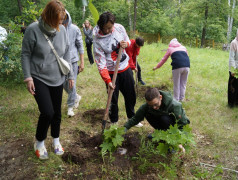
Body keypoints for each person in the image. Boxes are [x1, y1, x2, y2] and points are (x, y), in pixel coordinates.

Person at [21, 0, 74, 160]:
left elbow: (66, 52)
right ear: (49, 16)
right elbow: (25, 54)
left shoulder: (62, 30)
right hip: (39, 77)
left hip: (57, 77)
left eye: (62, 19)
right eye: (58, 19)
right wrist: (28, 76)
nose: (61, 22)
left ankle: (56, 140)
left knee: (57, 112)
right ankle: (39, 141)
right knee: (47, 112)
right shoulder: (33, 30)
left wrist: (70, 75)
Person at [93, 12, 138, 126]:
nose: (109, 30)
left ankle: (131, 117)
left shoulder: (119, 28)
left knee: (130, 94)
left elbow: (128, 40)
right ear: (101, 25)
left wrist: (126, 44)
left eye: (110, 27)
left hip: (125, 68)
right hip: (111, 73)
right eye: (106, 28)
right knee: (112, 98)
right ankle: (114, 121)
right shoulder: (98, 41)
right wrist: (108, 80)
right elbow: (101, 64)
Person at [124, 88, 190, 153]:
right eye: (151, 105)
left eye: (155, 104)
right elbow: (135, 118)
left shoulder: (174, 105)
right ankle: (159, 134)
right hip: (163, 126)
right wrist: (125, 128)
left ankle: (171, 142)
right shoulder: (146, 106)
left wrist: (179, 142)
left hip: (174, 128)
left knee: (164, 119)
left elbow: (183, 125)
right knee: (148, 113)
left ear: (160, 97)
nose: (154, 107)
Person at [63, 10, 84, 117]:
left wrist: (82, 62)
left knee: (71, 83)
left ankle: (70, 107)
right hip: (61, 61)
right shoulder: (56, 29)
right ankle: (76, 96)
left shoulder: (75, 29)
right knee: (63, 83)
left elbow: (80, 46)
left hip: (73, 61)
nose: (63, 22)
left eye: (65, 19)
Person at [228, 29, 238, 107]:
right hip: (234, 69)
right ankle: (231, 103)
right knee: (233, 87)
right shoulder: (234, 43)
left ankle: (236, 102)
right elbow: (231, 58)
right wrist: (233, 70)